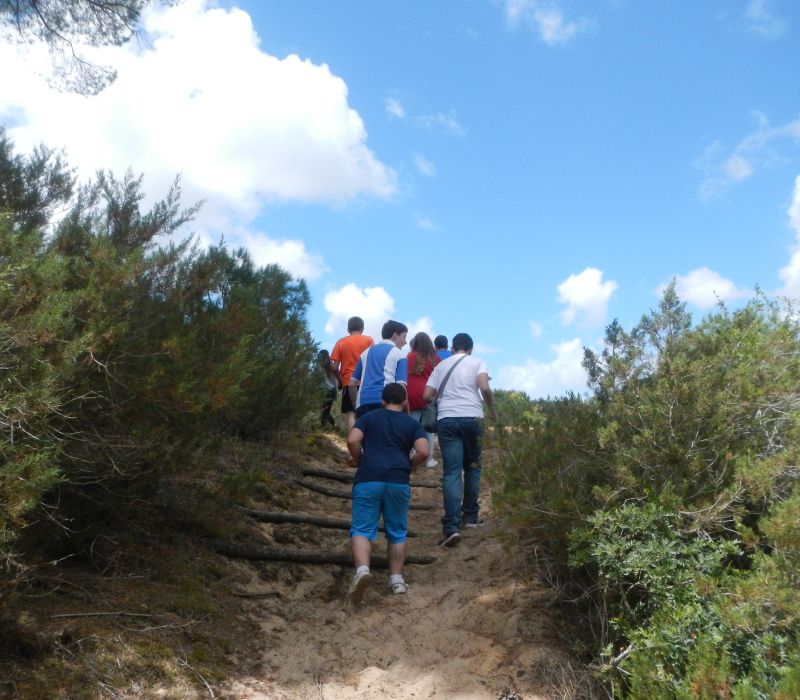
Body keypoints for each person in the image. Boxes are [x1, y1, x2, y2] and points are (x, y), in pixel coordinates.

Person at [346, 383, 429, 604]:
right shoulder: (411, 423)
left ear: (382, 401)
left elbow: (352, 439)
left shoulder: (370, 418)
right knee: (397, 531)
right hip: (397, 480)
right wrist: (409, 465)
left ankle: (363, 571)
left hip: (368, 478)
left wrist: (359, 460)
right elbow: (424, 451)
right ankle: (396, 580)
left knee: (362, 529)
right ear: (403, 402)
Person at [423, 332, 496, 548]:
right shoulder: (478, 362)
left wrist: (443, 399)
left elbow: (427, 395)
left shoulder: (441, 365)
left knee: (452, 472)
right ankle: (470, 517)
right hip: (473, 418)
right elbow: (484, 387)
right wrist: (491, 409)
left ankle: (451, 527)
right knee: (473, 467)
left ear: (453, 348)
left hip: (447, 420)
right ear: (471, 349)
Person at [349, 320, 408, 418]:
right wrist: (405, 414)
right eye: (404, 337)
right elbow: (401, 386)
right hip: (387, 403)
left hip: (362, 404)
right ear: (395, 335)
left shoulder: (365, 353)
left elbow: (351, 384)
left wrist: (356, 406)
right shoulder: (399, 354)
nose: (405, 342)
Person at [331, 317, 374, 433]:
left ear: (348, 329)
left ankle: (352, 445)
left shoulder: (341, 342)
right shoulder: (369, 340)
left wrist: (340, 380)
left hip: (348, 382)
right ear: (362, 328)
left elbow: (334, 367)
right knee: (366, 414)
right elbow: (372, 361)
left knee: (351, 415)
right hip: (366, 383)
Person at [406, 332, 440, 468]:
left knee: (412, 426)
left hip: (411, 395)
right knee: (428, 428)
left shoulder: (409, 357)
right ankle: (428, 458)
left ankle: (410, 454)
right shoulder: (435, 359)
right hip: (428, 396)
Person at [317, 349, 341, 429]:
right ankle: (333, 426)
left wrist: (336, 391)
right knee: (324, 410)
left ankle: (324, 428)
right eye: (320, 357)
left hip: (329, 391)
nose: (322, 358)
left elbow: (335, 381)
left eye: (323, 357)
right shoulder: (319, 366)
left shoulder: (331, 366)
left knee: (325, 411)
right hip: (323, 390)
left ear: (327, 357)